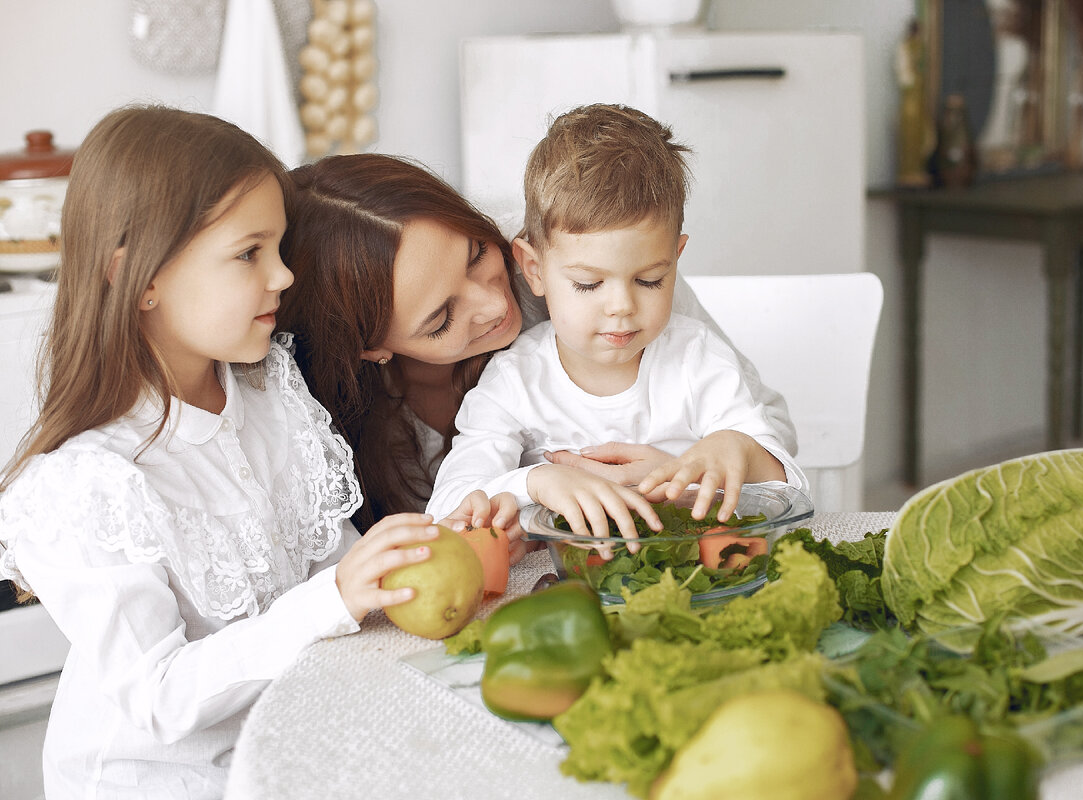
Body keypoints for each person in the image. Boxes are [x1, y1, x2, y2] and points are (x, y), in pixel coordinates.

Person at [0, 106, 514, 799]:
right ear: (140, 278)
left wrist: (435, 550)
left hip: (289, 746)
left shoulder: (272, 393)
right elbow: (159, 699)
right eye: (250, 254)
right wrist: (333, 597)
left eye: (277, 249)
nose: (283, 276)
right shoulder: (84, 482)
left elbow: (343, 574)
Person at [277, 153, 798, 536]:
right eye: (440, 319)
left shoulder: (593, 261)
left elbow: (765, 438)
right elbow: (450, 517)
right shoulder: (319, 415)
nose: (492, 304)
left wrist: (676, 472)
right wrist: (534, 483)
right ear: (373, 350)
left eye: (477, 255)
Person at [425, 104, 806, 545]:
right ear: (533, 269)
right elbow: (446, 507)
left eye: (650, 280)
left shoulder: (697, 357)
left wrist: (742, 451)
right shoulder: (515, 380)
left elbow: (790, 490)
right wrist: (536, 482)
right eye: (588, 284)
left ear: (676, 258)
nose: (622, 306)